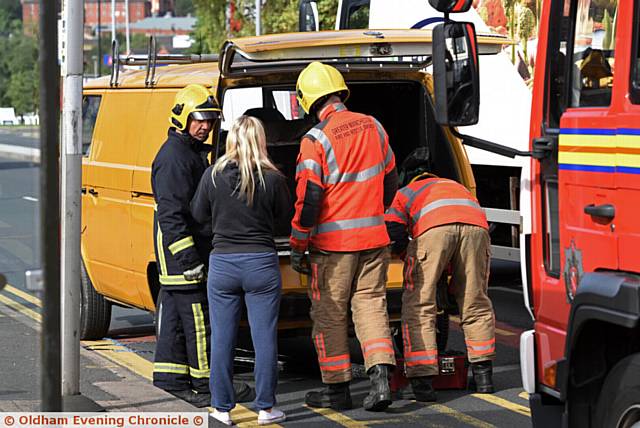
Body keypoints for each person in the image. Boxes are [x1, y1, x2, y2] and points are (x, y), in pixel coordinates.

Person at [290, 62, 399, 412]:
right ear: (340, 92)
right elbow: (392, 180)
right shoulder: (374, 126)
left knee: (330, 315)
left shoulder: (315, 139)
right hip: (374, 240)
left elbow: (309, 199)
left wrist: (298, 243)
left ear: (309, 101)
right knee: (370, 308)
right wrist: (375, 214)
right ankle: (381, 379)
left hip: (333, 247)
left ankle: (337, 392)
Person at [151, 84, 252, 407]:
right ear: (182, 117)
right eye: (198, 119)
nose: (205, 125)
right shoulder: (175, 158)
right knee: (199, 319)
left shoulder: (187, 152)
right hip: (183, 252)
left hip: (179, 253)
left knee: (175, 319)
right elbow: (172, 214)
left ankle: (170, 379)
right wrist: (190, 260)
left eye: (209, 119)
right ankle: (209, 386)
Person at [191, 115, 290, 426]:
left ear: (231, 140)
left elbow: (197, 215)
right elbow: (284, 219)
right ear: (261, 141)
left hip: (223, 263)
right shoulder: (273, 178)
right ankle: (266, 408)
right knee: (264, 338)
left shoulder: (212, 175)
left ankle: (221, 408)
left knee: (222, 338)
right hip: (261, 262)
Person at [384, 173, 496, 401]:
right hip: (476, 230)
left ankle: (422, 384)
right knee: (476, 302)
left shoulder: (404, 193)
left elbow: (394, 232)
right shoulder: (456, 187)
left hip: (433, 231)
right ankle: (484, 378)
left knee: (419, 308)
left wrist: (409, 256)